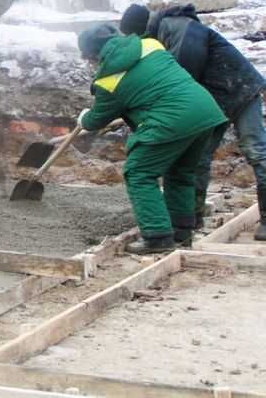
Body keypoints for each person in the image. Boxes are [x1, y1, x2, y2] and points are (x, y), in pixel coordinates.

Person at [77, 24, 227, 254]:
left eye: (89, 58)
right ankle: (181, 232)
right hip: (204, 111)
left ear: (95, 54)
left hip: (172, 119)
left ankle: (158, 237)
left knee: (138, 173)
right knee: (181, 172)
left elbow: (95, 121)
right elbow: (154, 82)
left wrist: (83, 119)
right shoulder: (150, 44)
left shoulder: (108, 82)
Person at [121, 4, 266, 239]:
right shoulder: (164, 33)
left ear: (140, 31)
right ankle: (193, 217)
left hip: (241, 88)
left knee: (257, 152)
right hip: (214, 99)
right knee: (198, 158)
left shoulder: (179, 27)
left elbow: (182, 75)